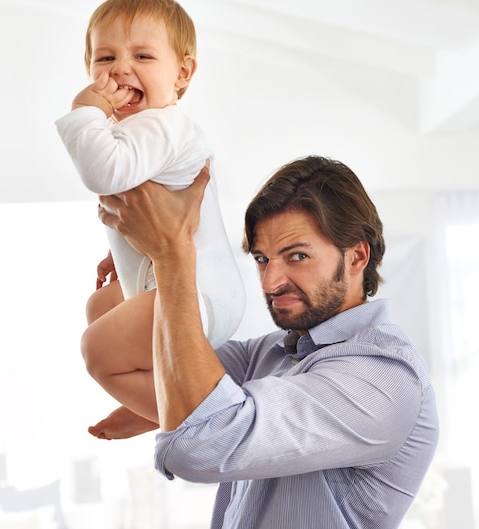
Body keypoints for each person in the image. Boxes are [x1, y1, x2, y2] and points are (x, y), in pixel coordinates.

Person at [98, 155, 439, 529]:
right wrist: (140, 268)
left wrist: (171, 255)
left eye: (297, 256)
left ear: (357, 256)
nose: (270, 282)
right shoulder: (268, 355)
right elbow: (141, 361)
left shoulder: (384, 377)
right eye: (262, 259)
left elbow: (197, 445)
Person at [55, 0, 245, 438]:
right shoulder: (140, 133)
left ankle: (176, 410)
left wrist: (86, 109)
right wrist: (115, 248)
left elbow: (103, 172)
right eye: (106, 58)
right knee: (100, 306)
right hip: (172, 282)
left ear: (182, 74)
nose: (121, 69)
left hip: (197, 295)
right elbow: (146, 198)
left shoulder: (162, 127)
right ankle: (155, 393)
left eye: (142, 56)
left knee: (98, 352)